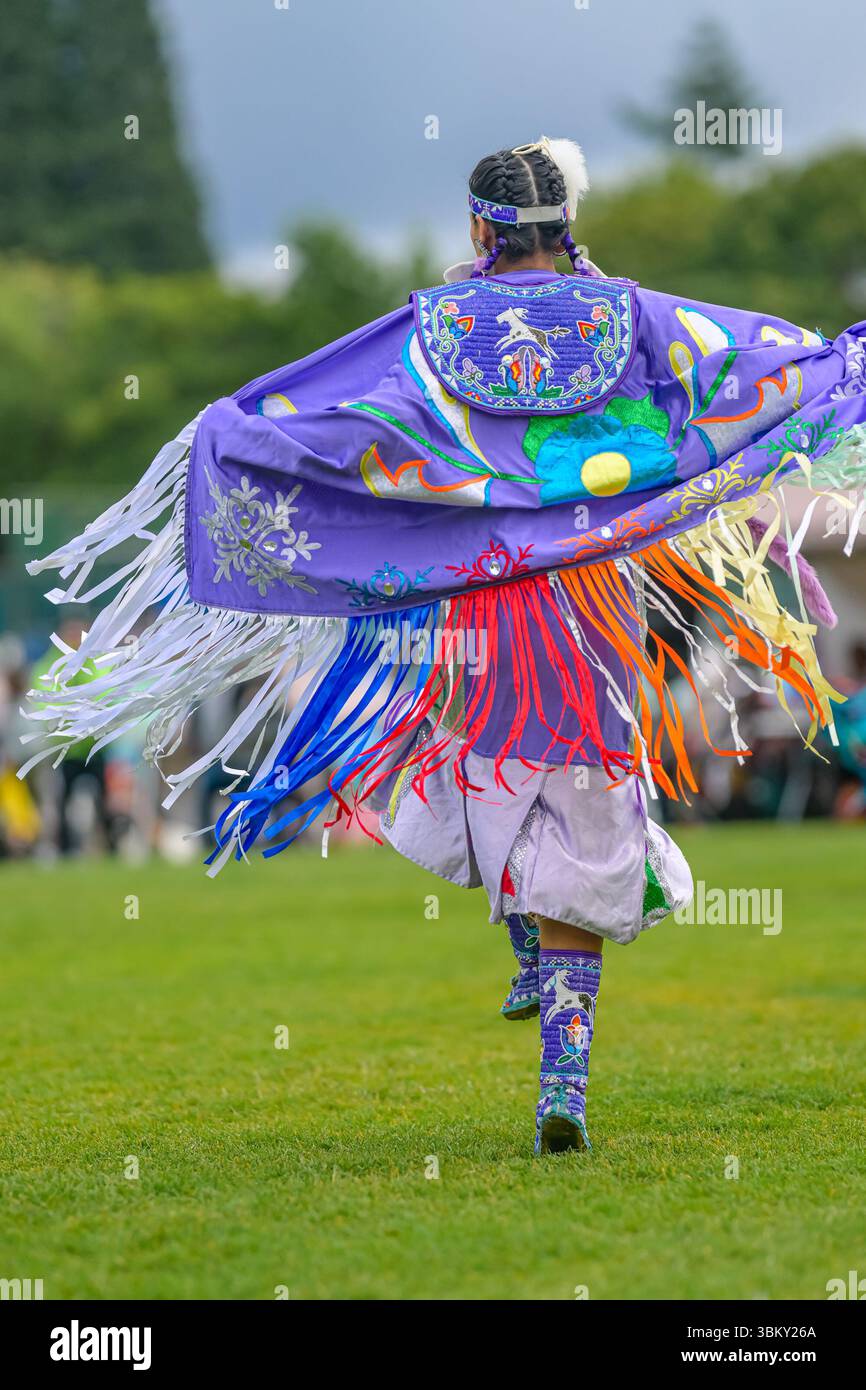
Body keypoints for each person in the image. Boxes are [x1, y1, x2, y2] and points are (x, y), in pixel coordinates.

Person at [23, 137, 866, 1155]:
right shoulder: (630, 316)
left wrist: (228, 432)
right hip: (589, 601)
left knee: (483, 777)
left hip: (480, 606)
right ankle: (565, 1069)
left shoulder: (430, 331)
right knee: (588, 805)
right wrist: (834, 363)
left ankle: (519, 940)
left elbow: (336, 410)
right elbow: (734, 356)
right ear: (565, 225)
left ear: (481, 228)